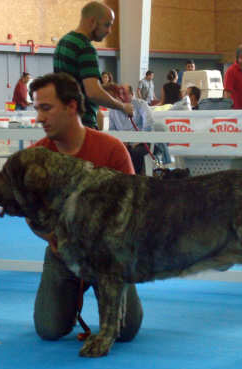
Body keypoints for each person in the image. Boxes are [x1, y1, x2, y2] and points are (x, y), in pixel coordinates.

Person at [27, 72, 143, 343]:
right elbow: (32, 216)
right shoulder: (36, 156)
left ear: (71, 107)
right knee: (49, 330)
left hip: (111, 257)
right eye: (37, 109)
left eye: (46, 108)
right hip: (63, 255)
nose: (39, 118)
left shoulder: (112, 149)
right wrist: (56, 240)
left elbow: (133, 208)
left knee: (126, 332)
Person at [53, 1, 133, 129]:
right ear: (92, 22)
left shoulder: (64, 42)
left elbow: (76, 86)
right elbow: (93, 93)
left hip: (63, 122)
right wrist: (122, 107)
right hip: (82, 124)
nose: (109, 31)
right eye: (107, 25)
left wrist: (103, 87)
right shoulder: (85, 48)